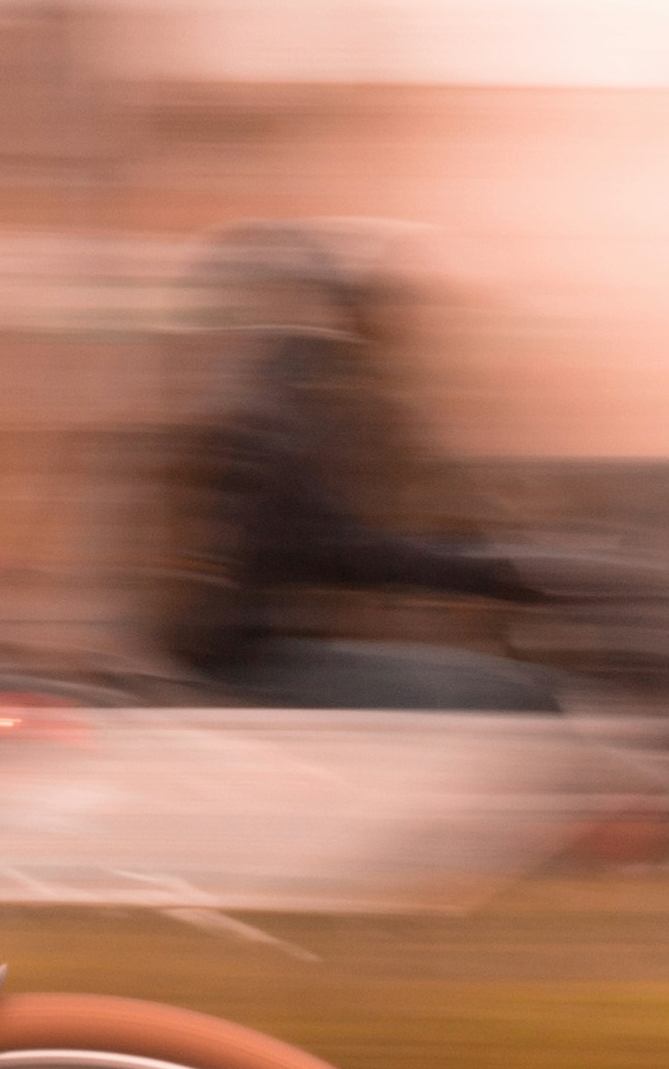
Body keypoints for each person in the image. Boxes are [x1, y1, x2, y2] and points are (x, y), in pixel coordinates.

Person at [159, 224, 553, 714]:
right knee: (518, 695)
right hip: (246, 660)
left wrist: (502, 563)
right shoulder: (265, 415)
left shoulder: (280, 402)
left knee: (503, 685)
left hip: (262, 645)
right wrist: (502, 573)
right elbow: (337, 545)